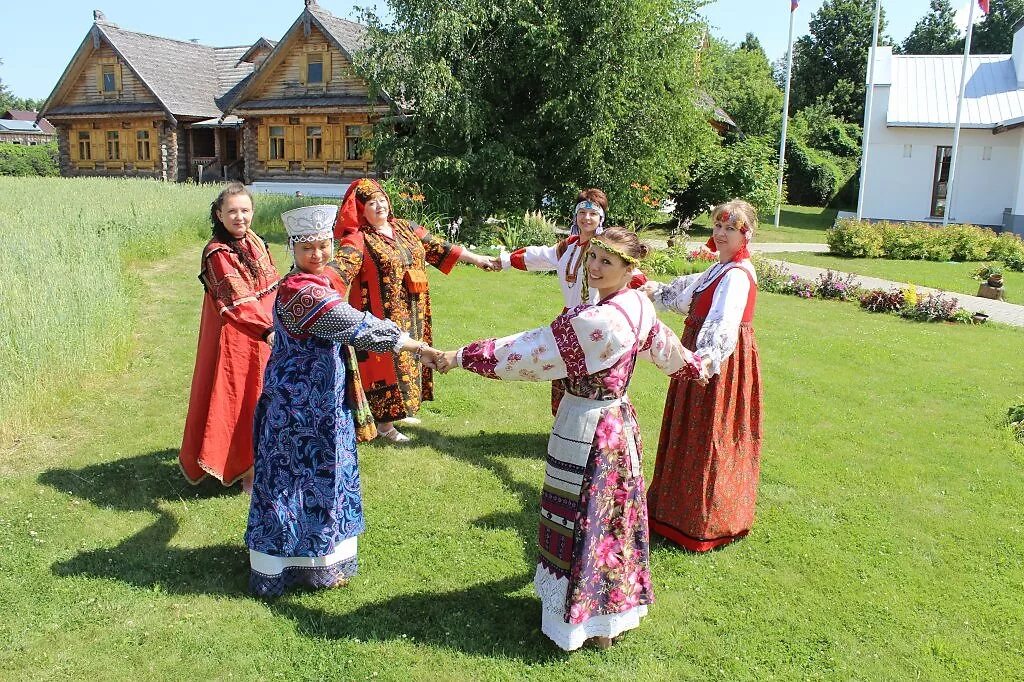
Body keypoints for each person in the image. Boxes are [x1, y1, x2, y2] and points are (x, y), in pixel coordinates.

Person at [431, 227, 706, 651]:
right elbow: (669, 355)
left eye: (606, 262)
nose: (593, 267)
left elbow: (531, 351)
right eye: (593, 257)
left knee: (581, 518)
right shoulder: (637, 305)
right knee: (613, 519)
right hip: (619, 426)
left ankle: (580, 623)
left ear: (629, 268)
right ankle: (609, 619)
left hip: (586, 425)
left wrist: (460, 356)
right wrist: (700, 363)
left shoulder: (599, 321)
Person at [246, 205, 439, 597]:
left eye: (322, 246)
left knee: (323, 477)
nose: (317, 255)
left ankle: (320, 561)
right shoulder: (302, 291)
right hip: (298, 406)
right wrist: (416, 346)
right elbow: (357, 327)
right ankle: (282, 565)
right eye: (307, 249)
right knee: (293, 480)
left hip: (321, 399)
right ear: (293, 251)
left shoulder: (312, 284)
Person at [330, 178, 498, 442]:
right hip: (378, 313)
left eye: (382, 200)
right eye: (371, 203)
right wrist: (314, 286)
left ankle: (402, 408)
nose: (379, 206)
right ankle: (385, 426)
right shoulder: (358, 239)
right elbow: (339, 270)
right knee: (384, 363)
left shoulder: (406, 228)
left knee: (411, 356)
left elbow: (440, 247)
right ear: (361, 209)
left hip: (413, 308)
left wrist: (477, 259)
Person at [642, 199, 763, 552]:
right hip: (699, 355)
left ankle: (703, 520)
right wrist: (651, 290)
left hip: (716, 363)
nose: (721, 233)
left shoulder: (738, 276)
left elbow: (723, 322)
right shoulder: (720, 269)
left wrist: (705, 362)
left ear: (746, 235)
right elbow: (687, 295)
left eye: (730, 228)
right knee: (691, 429)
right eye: (718, 226)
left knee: (710, 433)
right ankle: (677, 510)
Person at [496, 189, 647, 414]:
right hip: (570, 317)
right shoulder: (568, 246)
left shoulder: (606, 249)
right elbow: (537, 256)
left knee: (592, 377)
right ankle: (563, 423)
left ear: (601, 218)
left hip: (597, 322)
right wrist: (504, 261)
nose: (587, 218)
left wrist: (648, 291)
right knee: (562, 368)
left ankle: (592, 427)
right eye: (582, 212)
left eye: (593, 214)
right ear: (576, 216)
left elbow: (632, 275)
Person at [180, 182, 280, 492]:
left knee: (266, 397)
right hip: (236, 336)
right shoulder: (216, 252)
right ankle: (247, 474)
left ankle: (264, 462)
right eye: (232, 211)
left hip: (265, 332)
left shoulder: (256, 242)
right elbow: (237, 300)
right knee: (242, 400)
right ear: (219, 215)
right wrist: (269, 331)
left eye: (245, 210)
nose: (240, 217)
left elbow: (273, 285)